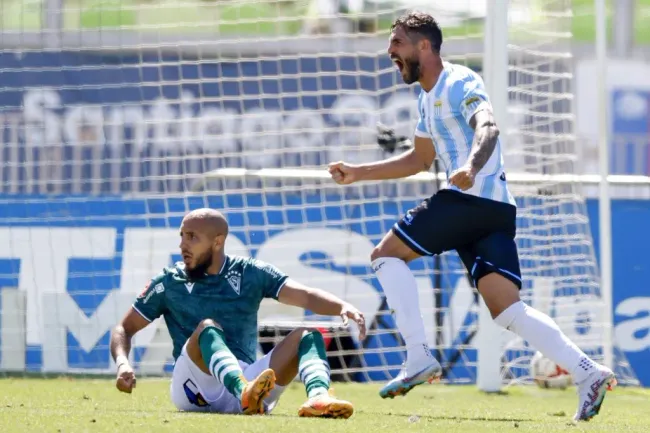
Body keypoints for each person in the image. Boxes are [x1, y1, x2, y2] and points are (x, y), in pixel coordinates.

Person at [327, 11, 615, 422]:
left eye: (398, 43)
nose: (390, 51)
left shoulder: (460, 81)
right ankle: (589, 373)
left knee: (384, 255)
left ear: (423, 46)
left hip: (470, 198)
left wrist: (471, 167)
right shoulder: (426, 98)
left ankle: (417, 357)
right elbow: (420, 159)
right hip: (495, 209)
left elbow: (489, 127)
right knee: (507, 309)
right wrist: (359, 172)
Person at [110, 208, 365, 418]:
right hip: (193, 387)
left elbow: (305, 295)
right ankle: (244, 391)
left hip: (251, 383)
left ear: (218, 241)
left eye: (192, 237)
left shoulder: (249, 273)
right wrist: (123, 364)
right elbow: (125, 328)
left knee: (309, 334)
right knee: (207, 329)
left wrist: (342, 306)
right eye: (182, 236)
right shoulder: (169, 281)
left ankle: (318, 398)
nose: (182, 245)